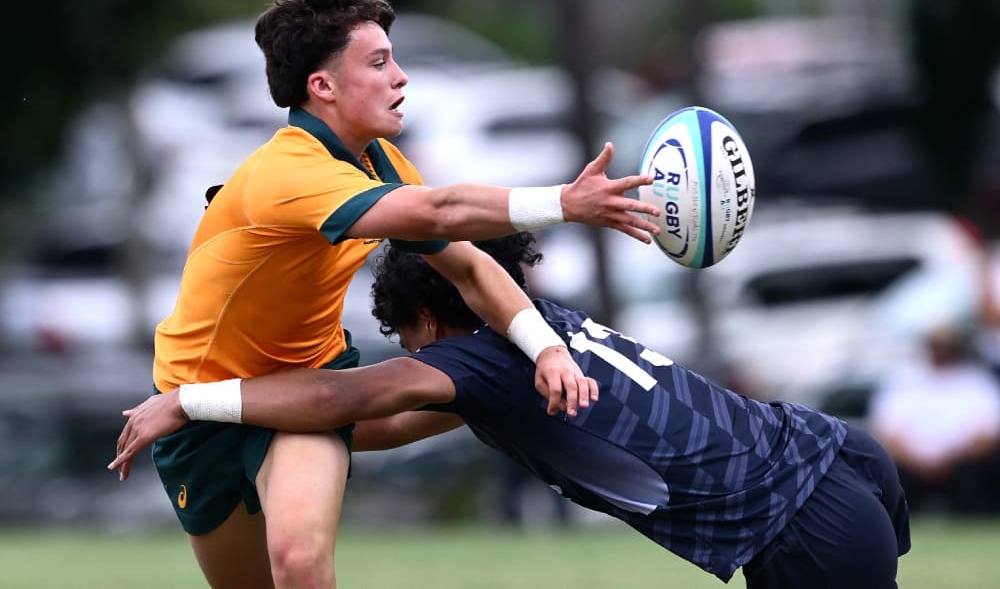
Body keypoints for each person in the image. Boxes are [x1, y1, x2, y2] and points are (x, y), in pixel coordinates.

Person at [140, 0, 661, 589]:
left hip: (305, 392)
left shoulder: (378, 161)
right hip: (196, 406)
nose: (400, 77)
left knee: (302, 565)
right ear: (323, 86)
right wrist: (565, 203)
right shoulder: (289, 172)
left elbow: (468, 264)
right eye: (379, 63)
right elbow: (435, 210)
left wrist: (547, 349)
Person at [112, 233, 911, 589]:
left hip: (810, 528)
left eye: (403, 337)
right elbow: (372, 425)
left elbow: (338, 397)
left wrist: (189, 400)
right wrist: (255, 422)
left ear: (427, 321)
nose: (409, 354)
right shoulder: (537, 331)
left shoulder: (481, 359)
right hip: (837, 466)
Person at [869, 324, 1000, 514]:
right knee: (889, 471)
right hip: (911, 465)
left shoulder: (976, 380)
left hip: (962, 465)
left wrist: (951, 459)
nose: (941, 352)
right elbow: (887, 431)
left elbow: (989, 434)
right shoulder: (904, 379)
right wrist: (917, 462)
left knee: (976, 475)